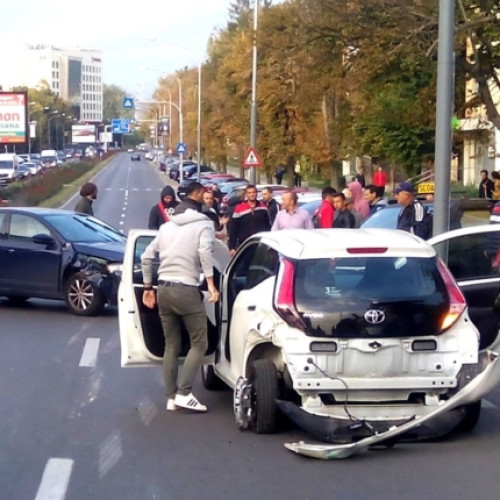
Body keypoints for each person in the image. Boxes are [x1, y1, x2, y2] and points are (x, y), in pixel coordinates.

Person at [141, 182, 219, 413]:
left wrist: (147, 287)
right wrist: (212, 284)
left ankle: (171, 396)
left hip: (163, 288)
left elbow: (146, 256)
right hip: (186, 289)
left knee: (171, 345)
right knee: (200, 342)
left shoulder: (166, 228)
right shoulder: (204, 225)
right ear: (197, 201)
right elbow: (205, 252)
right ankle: (185, 392)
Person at [228, 184, 271, 255]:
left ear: (257, 193)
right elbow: (233, 229)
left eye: (253, 192)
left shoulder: (263, 208)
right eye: (249, 193)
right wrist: (232, 247)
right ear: (246, 194)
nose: (252, 195)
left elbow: (267, 227)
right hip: (244, 243)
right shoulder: (239, 208)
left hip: (260, 242)